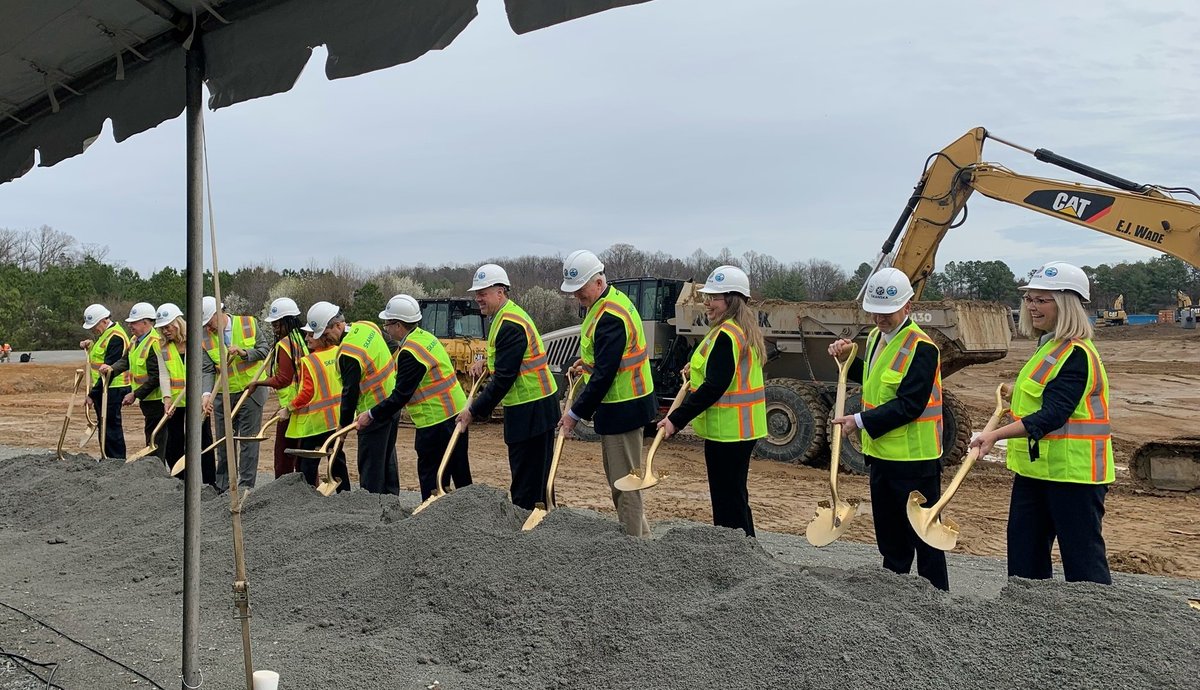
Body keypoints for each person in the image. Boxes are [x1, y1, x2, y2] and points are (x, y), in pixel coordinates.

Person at [970, 261, 1113, 585]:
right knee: (1025, 560)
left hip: (1074, 476)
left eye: (1041, 300)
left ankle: (1095, 616)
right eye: (1029, 299)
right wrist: (1014, 392)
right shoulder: (1049, 346)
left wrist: (994, 435)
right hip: (1036, 471)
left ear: (1066, 305)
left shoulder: (1076, 354)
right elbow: (1042, 394)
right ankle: (1027, 612)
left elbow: (1053, 414)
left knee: (1083, 564)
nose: (1031, 306)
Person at [828, 268, 949, 591]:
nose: (880, 318)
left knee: (926, 541)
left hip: (915, 463)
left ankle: (937, 601)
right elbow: (874, 382)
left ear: (907, 306)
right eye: (875, 311)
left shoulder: (922, 348)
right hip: (882, 457)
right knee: (891, 540)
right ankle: (893, 598)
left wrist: (859, 421)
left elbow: (910, 404)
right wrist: (848, 360)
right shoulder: (875, 338)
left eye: (887, 312)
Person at [657, 265, 765, 537]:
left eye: (713, 298)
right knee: (735, 498)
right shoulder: (736, 330)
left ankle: (734, 553)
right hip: (738, 431)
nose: (707, 303)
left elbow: (716, 385)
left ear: (731, 300)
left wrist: (676, 420)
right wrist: (694, 371)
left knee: (728, 503)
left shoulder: (727, 334)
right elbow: (719, 371)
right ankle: (746, 549)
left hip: (728, 433)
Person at [559, 250, 656, 537]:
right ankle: (642, 538)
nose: (577, 295)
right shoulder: (604, 304)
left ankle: (633, 545)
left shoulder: (610, 315)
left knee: (625, 484)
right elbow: (605, 359)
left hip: (624, 407)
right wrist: (587, 363)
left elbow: (605, 375)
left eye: (580, 289)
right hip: (620, 406)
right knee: (622, 481)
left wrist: (574, 414)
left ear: (599, 282)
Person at [456, 264, 558, 510]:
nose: (478, 298)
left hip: (532, 409)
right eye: (477, 293)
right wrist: (485, 363)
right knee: (532, 476)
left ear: (500, 292)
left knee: (529, 482)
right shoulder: (503, 318)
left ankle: (529, 521)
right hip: (528, 407)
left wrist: (473, 411)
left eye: (483, 293)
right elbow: (507, 360)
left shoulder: (509, 324)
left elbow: (504, 379)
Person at [356, 295, 472, 500]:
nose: (385, 328)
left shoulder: (411, 353)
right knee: (459, 470)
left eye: (387, 324)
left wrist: (371, 414)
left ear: (398, 325)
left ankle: (434, 511)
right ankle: (470, 509)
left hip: (435, 421)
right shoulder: (425, 337)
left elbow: (400, 396)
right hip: (456, 412)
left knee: (431, 478)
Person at [304, 301, 400, 494]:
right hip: (392, 403)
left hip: (372, 412)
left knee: (371, 467)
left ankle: (370, 505)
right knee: (387, 459)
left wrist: (343, 426)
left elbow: (350, 393)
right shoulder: (367, 326)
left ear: (338, 325)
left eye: (326, 334)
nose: (325, 339)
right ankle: (391, 501)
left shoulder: (349, 353)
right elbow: (392, 346)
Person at [199, 296, 270, 492]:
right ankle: (224, 487)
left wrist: (245, 353)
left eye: (209, 323)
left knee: (248, 441)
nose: (208, 328)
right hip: (224, 395)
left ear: (219, 313)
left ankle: (246, 486)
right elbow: (207, 369)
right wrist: (206, 394)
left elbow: (264, 350)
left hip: (251, 391)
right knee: (224, 442)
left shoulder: (248, 323)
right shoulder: (204, 337)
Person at [286, 303, 351, 492]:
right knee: (336, 457)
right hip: (337, 419)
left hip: (317, 423)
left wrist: (288, 408)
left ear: (322, 336)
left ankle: (307, 496)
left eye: (311, 335)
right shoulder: (339, 351)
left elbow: (306, 393)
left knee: (308, 461)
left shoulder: (310, 361)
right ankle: (346, 494)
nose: (307, 338)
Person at [244, 297, 309, 478]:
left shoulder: (285, 344)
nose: (274, 329)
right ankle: (308, 488)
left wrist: (258, 383)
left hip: (291, 408)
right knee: (302, 456)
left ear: (287, 321)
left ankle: (284, 489)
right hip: (303, 404)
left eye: (276, 325)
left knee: (283, 458)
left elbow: (283, 379)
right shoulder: (302, 339)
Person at [156, 303, 217, 482]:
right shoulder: (162, 346)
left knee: (202, 440)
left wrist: (205, 395)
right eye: (162, 328)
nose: (165, 331)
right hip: (176, 401)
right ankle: (180, 481)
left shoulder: (197, 340)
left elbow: (207, 370)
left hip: (198, 400)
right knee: (174, 442)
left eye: (168, 327)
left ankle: (209, 482)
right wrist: (167, 399)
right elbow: (163, 374)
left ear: (178, 323)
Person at [101, 302, 166, 459]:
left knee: (156, 438)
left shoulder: (154, 342)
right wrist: (111, 369)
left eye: (134, 323)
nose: (130, 326)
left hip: (157, 400)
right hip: (146, 399)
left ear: (145, 323)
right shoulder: (134, 340)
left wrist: (135, 394)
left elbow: (156, 377)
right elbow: (126, 361)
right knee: (151, 434)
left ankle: (156, 467)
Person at [80, 303, 131, 459]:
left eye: (95, 326)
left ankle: (116, 460)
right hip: (104, 388)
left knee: (111, 427)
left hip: (113, 387)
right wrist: (90, 346)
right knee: (104, 425)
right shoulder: (106, 334)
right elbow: (100, 355)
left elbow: (110, 371)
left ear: (104, 320)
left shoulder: (116, 337)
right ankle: (107, 457)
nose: (93, 329)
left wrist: (92, 394)